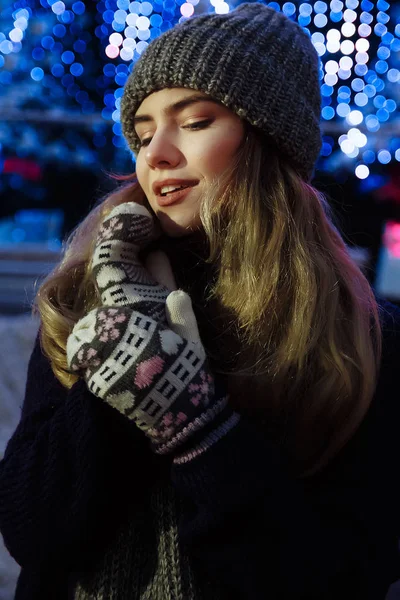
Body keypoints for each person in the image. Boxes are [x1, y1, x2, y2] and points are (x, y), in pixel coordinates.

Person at [0, 3, 400, 599]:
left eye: (194, 121)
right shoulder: (84, 299)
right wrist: (121, 361)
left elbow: (336, 572)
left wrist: (195, 426)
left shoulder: (364, 335)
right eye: (141, 132)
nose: (155, 152)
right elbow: (35, 535)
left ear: (267, 141)